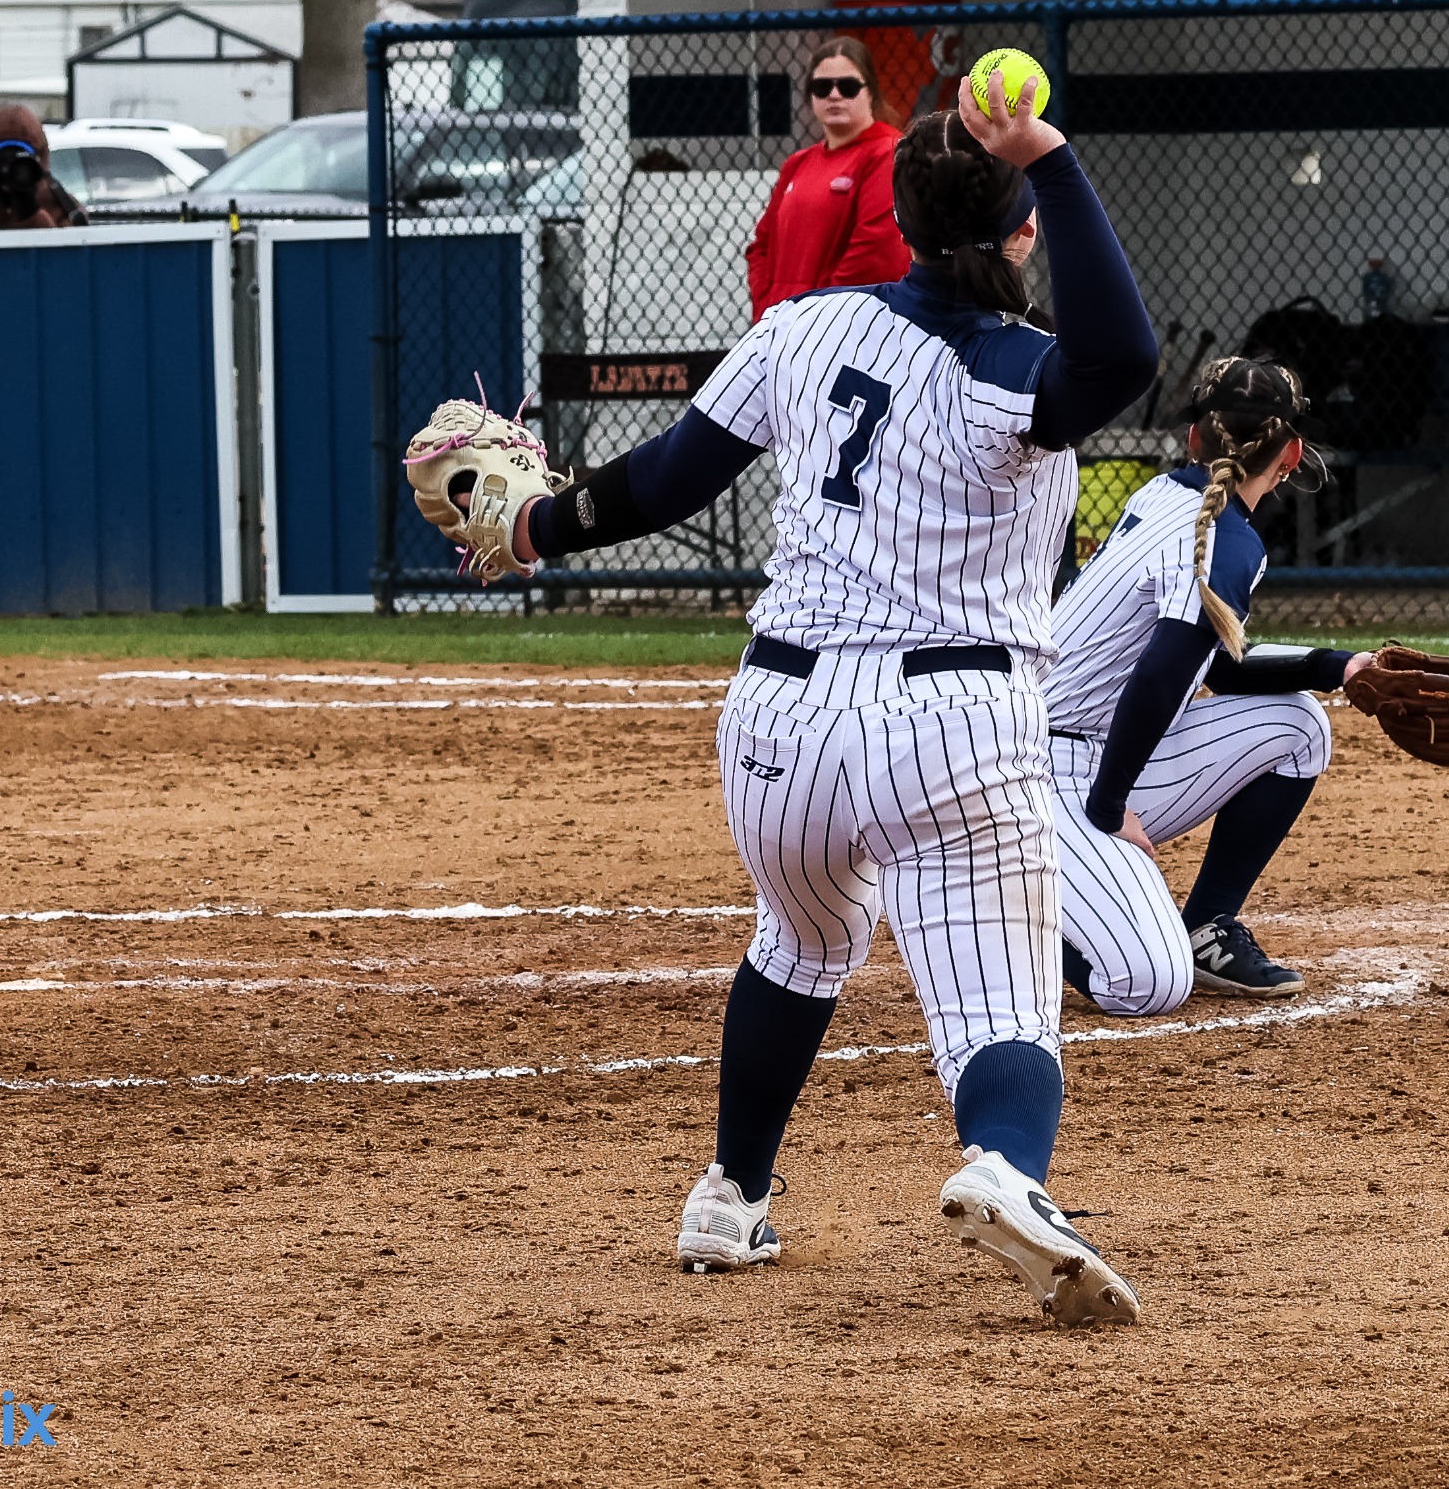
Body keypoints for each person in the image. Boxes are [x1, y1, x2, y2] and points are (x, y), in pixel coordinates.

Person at [492, 69, 1158, 1321]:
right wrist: (1051, 156)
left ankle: (728, 1194)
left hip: (776, 722)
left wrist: (537, 525)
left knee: (796, 944)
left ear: (900, 222)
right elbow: (1124, 353)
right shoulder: (1018, 370)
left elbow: (665, 480)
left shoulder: (802, 326)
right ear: (1019, 232)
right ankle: (1008, 1172)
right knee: (1003, 1003)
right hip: (952, 726)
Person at [1044, 357, 1374, 1012]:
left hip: (1096, 748)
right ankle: (1001, 914)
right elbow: (1161, 673)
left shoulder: (1167, 496)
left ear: (1194, 438)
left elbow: (1206, 664)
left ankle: (1208, 924)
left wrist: (1335, 666)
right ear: (1293, 453)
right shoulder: (1224, 540)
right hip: (1034, 765)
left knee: (1299, 726)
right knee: (1146, 984)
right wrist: (1109, 809)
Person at [744, 37, 909, 322]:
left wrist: (816, 318)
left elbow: (876, 253)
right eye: (822, 87)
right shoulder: (797, 163)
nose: (834, 95)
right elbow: (761, 246)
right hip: (784, 328)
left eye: (848, 87)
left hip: (844, 330)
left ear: (871, 93)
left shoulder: (889, 152)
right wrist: (768, 310)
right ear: (809, 95)